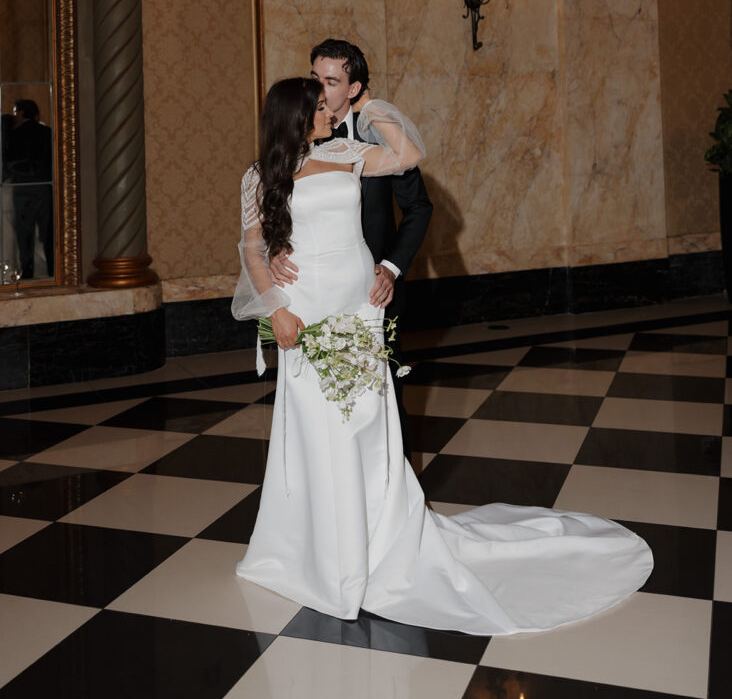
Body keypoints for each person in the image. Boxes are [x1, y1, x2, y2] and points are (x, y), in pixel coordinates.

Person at [231, 77, 653, 636]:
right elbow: (252, 247)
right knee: (317, 426)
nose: (328, 110)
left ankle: (379, 537)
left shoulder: (347, 151)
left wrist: (366, 105)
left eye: (332, 100)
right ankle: (320, 551)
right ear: (294, 115)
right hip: (305, 310)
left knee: (366, 422)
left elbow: (409, 153)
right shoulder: (259, 176)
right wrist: (277, 308)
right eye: (319, 105)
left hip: (358, 306)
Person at [269, 39, 433, 460]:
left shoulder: (371, 138)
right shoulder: (293, 138)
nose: (320, 90)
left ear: (355, 89)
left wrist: (391, 268)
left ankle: (395, 496)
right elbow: (272, 206)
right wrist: (276, 250)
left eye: (332, 81)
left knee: (381, 395)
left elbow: (418, 208)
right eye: (315, 78)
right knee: (315, 395)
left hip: (372, 288)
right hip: (313, 290)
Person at [5, 99, 54, 279]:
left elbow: (7, 162)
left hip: (22, 188)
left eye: (15, 111)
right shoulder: (47, 132)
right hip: (44, 187)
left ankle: (27, 275)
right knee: (48, 234)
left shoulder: (14, 135)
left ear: (21, 112)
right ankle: (53, 271)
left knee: (25, 236)